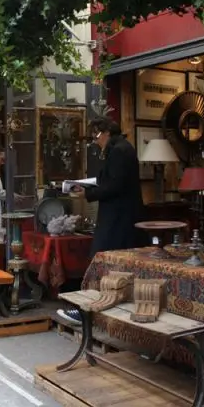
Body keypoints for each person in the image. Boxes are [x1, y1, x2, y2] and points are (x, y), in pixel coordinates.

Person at [58, 117, 145, 325]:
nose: (96, 141)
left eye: (96, 135)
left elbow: (115, 186)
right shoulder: (122, 149)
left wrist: (87, 195)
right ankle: (95, 311)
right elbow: (113, 181)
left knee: (101, 264)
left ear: (105, 132)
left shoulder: (119, 151)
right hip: (119, 216)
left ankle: (87, 312)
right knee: (111, 266)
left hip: (118, 218)